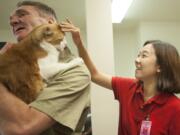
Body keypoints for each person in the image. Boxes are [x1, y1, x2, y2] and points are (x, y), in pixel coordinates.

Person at [60, 21, 180, 135]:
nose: (137, 60)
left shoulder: (175, 107)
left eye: (144, 56)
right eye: (138, 55)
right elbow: (95, 75)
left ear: (160, 66)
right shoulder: (128, 88)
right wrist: (79, 44)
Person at [0, 1, 90, 135]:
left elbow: (21, 127)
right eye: (11, 20)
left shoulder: (76, 72)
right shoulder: (15, 61)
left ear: (50, 23)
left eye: (22, 14)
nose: (13, 22)